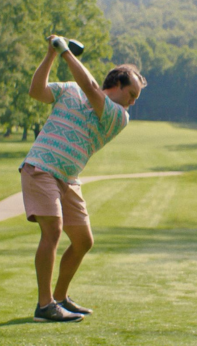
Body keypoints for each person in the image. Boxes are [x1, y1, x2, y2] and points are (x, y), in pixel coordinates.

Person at [19, 35, 147, 322]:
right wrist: (52, 54)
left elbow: (90, 87)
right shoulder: (70, 90)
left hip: (68, 179)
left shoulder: (118, 116)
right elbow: (36, 92)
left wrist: (64, 51)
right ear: (116, 86)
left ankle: (61, 297)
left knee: (83, 241)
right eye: (132, 95)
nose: (133, 103)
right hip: (41, 168)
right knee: (52, 231)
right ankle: (45, 305)